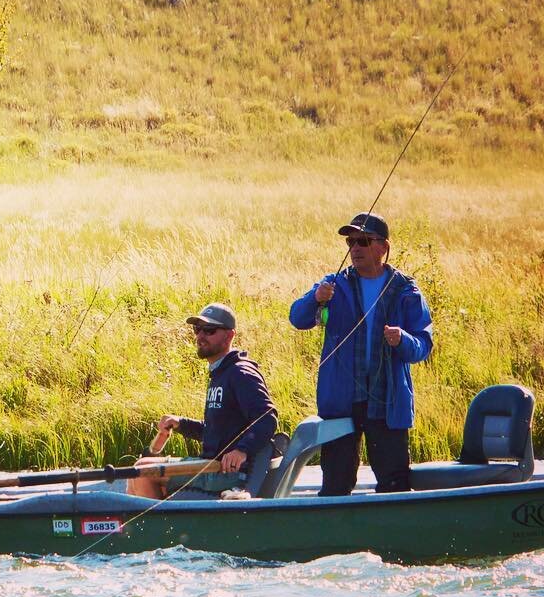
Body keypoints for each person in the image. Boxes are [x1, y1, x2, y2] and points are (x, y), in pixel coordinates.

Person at [289, 212, 433, 495]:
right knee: (336, 484)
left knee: (394, 486)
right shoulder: (333, 284)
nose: (355, 248)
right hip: (341, 401)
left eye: (363, 241)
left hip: (387, 402)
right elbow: (297, 317)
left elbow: (423, 345)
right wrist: (315, 299)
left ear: (384, 247)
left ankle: (390, 538)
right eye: (351, 241)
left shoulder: (406, 290)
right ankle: (338, 539)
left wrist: (402, 340)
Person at [128, 303, 278, 500]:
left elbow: (268, 417)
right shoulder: (221, 373)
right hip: (211, 467)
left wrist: (242, 450)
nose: (200, 336)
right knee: (142, 469)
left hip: (225, 473)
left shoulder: (240, 373)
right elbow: (216, 432)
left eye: (209, 330)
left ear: (229, 335)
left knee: (142, 473)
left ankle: (155, 529)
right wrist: (181, 424)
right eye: (197, 329)